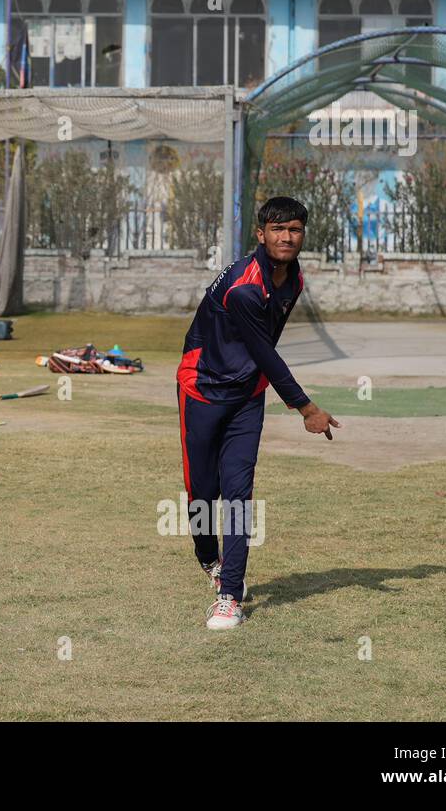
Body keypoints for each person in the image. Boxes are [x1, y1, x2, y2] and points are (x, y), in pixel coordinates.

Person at [176, 196, 340, 631]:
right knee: (201, 492)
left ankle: (229, 594)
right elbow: (265, 350)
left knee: (238, 493)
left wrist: (262, 381)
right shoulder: (245, 287)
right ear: (261, 233)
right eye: (278, 229)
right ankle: (208, 558)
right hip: (203, 387)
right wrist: (306, 407)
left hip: (247, 395)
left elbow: (264, 347)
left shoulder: (293, 279)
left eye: (296, 230)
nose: (287, 237)